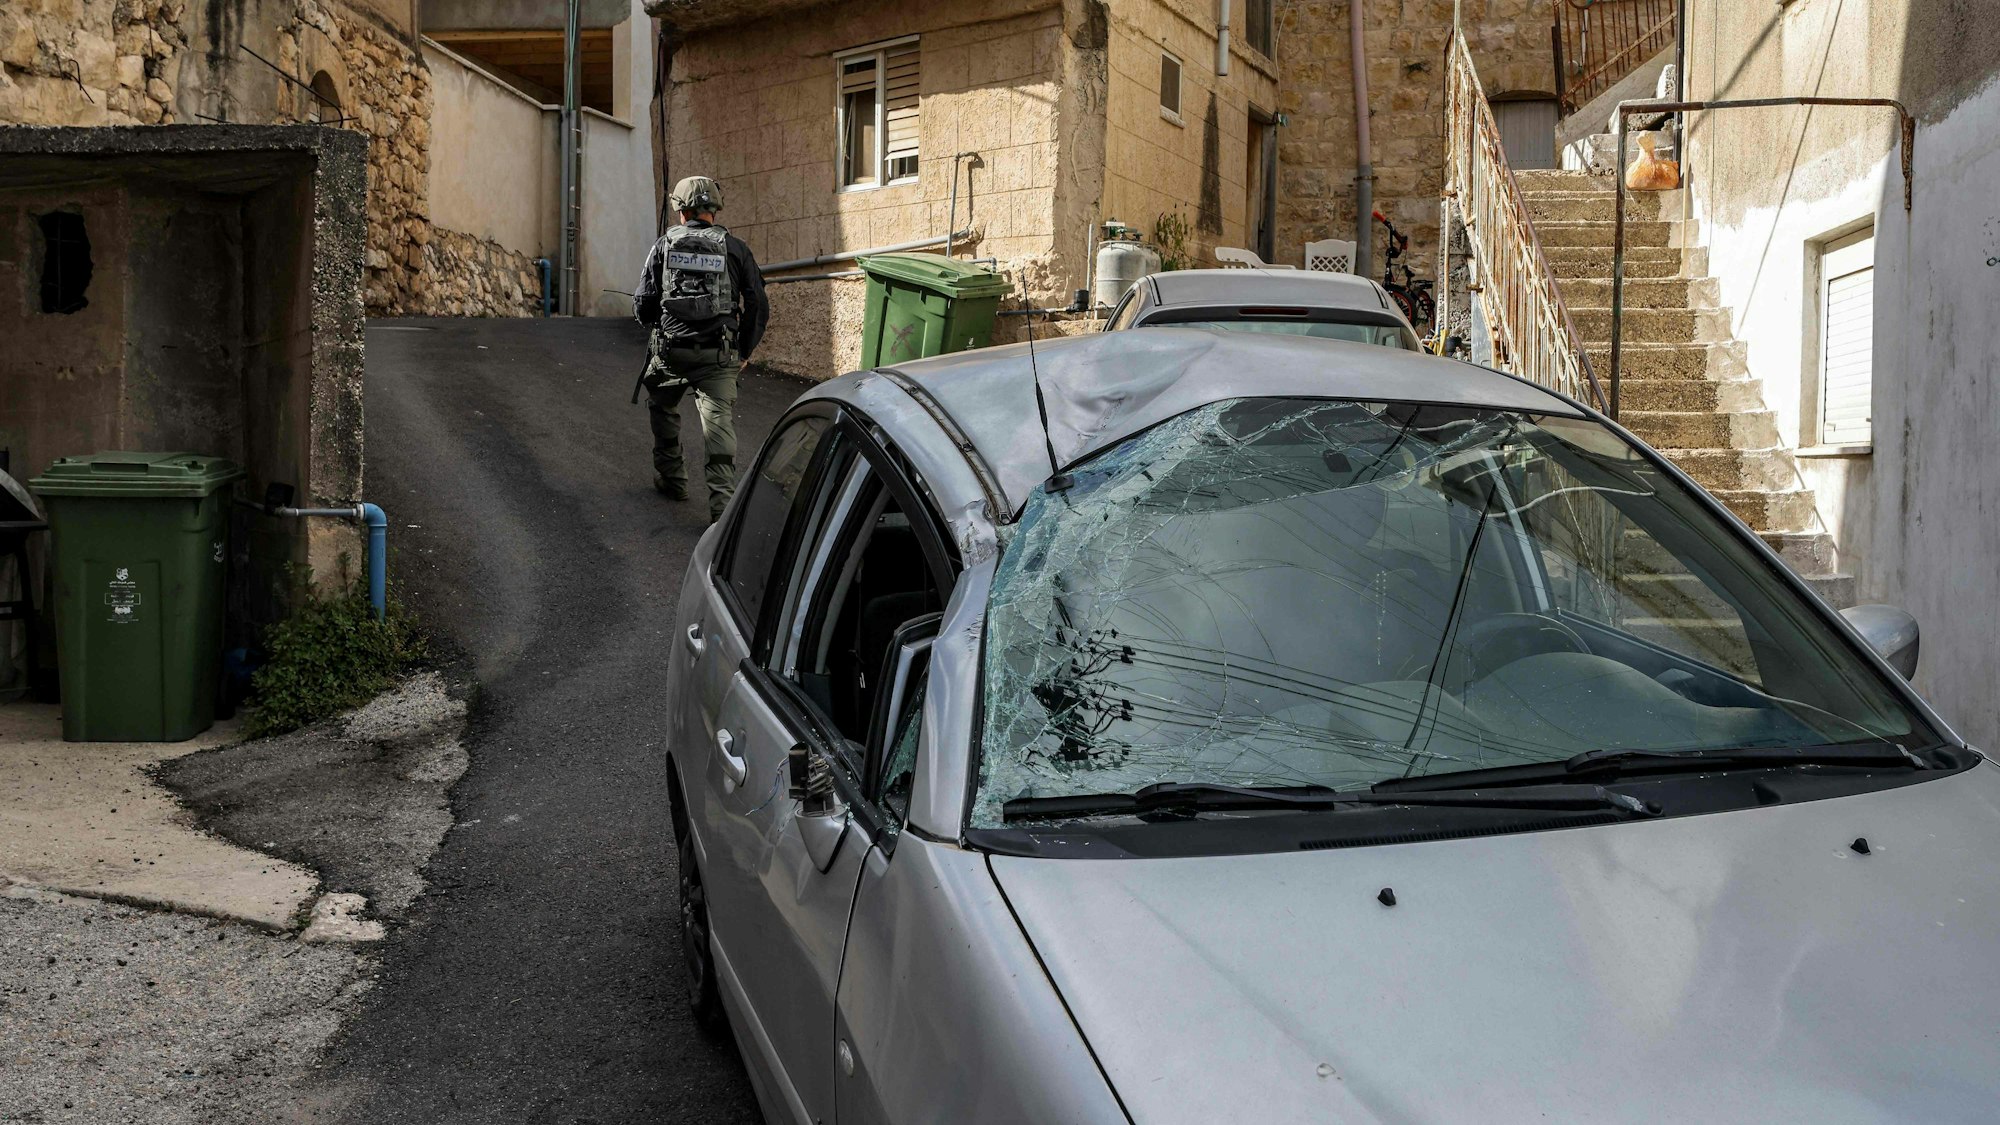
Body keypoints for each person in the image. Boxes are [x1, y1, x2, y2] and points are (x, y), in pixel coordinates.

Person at [634, 175, 769, 522]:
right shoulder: (736, 248)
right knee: (718, 427)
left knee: (662, 407)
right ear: (715, 209)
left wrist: (653, 321)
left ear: (681, 209)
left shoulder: (664, 245)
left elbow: (645, 302)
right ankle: (721, 511)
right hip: (718, 355)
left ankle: (673, 480)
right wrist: (743, 351)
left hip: (671, 353)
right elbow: (757, 304)